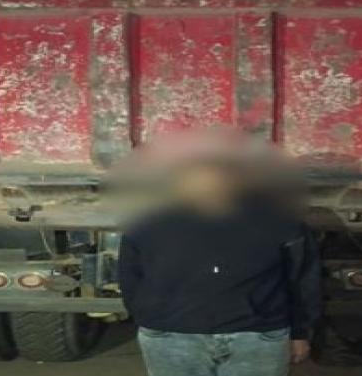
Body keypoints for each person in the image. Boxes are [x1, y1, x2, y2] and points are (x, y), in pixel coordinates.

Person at [118, 152, 322, 376]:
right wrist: (152, 321)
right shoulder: (146, 226)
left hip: (253, 338)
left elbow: (302, 281)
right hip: (176, 336)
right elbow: (130, 280)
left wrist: (300, 333)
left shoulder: (283, 224)